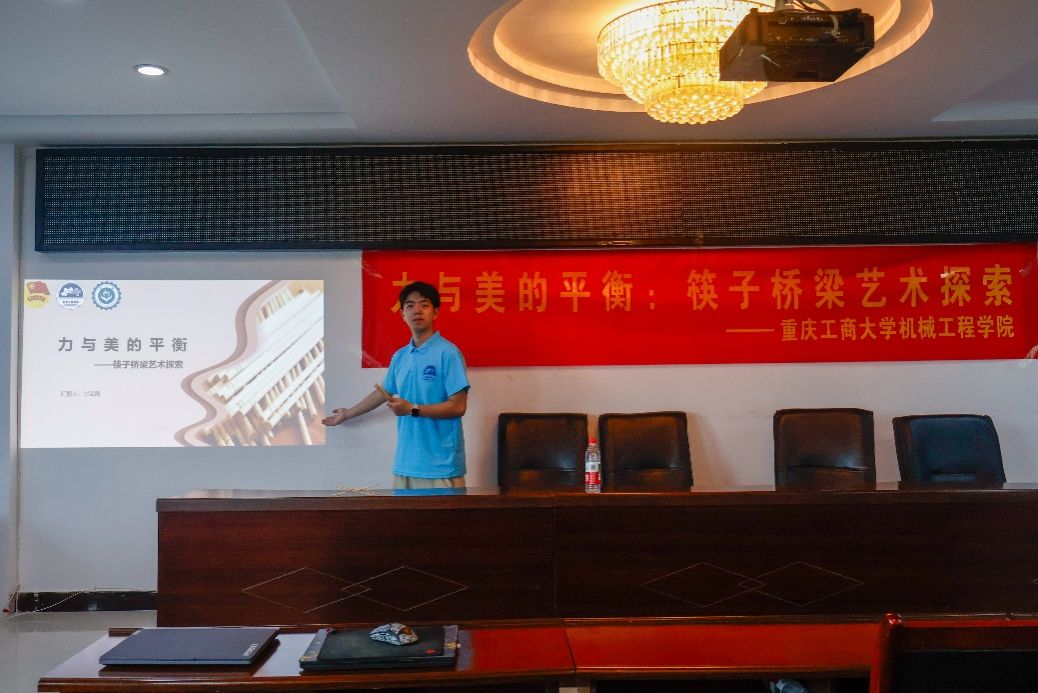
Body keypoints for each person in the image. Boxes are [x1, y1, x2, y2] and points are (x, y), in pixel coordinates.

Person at [322, 281, 470, 489]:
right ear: (402, 314)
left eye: (424, 305)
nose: (417, 310)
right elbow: (381, 393)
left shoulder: (448, 353)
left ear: (435, 312)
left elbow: (458, 406)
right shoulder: (401, 356)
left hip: (441, 467)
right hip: (405, 465)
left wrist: (413, 409)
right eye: (410, 305)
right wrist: (348, 413)